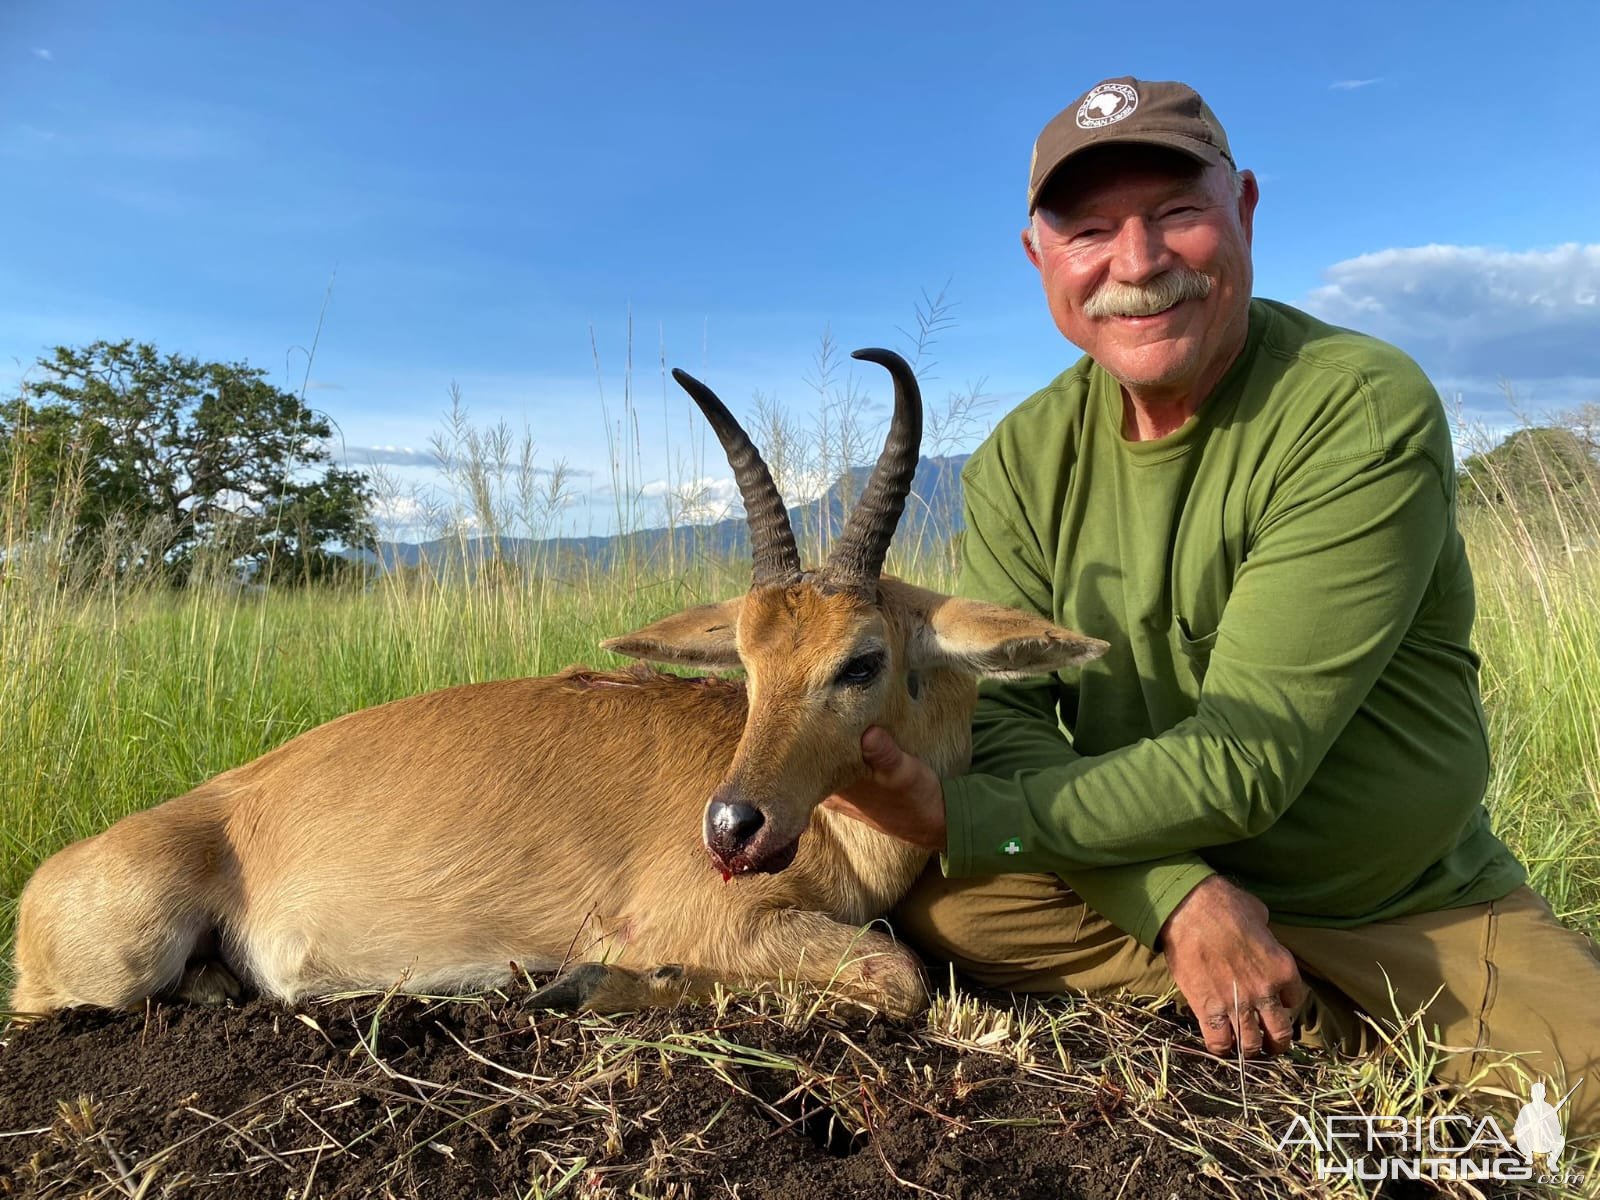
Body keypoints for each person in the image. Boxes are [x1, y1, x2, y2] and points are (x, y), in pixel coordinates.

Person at [824, 76, 1600, 1134]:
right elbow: (1003, 719)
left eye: (1175, 215)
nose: (1135, 266)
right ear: (1039, 260)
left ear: (1243, 209)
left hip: (1396, 901)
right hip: (1127, 875)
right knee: (947, 907)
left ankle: (1330, 1018)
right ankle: (1287, 1013)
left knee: (1588, 1092)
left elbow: (1245, 761)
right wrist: (1173, 894)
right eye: (1089, 230)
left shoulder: (1358, 407)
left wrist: (964, 816)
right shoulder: (1017, 459)